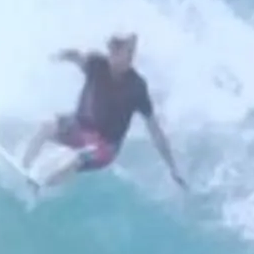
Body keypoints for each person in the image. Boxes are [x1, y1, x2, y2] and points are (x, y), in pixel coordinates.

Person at [25, 31, 187, 192]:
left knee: (76, 158)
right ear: (113, 52)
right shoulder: (96, 64)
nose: (131, 57)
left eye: (132, 52)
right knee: (47, 126)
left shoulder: (136, 87)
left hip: (105, 146)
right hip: (79, 126)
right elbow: (75, 56)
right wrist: (54, 56)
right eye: (127, 52)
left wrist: (172, 167)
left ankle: (40, 184)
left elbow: (154, 130)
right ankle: (24, 166)